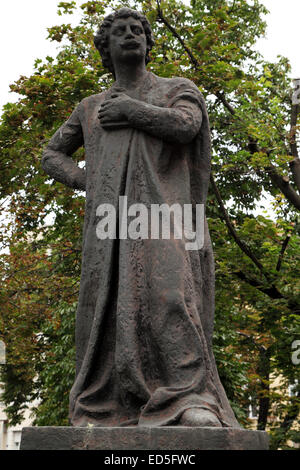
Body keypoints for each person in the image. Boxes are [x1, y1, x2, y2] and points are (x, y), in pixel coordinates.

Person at [42, 7, 239, 428]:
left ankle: (189, 398)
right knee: (106, 308)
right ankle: (108, 403)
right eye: (120, 31)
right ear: (106, 47)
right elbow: (51, 153)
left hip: (164, 216)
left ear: (149, 43)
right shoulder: (90, 106)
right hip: (110, 222)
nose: (130, 34)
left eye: (137, 30)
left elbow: (187, 126)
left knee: (170, 296)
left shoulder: (175, 88)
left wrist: (132, 111)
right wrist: (84, 181)